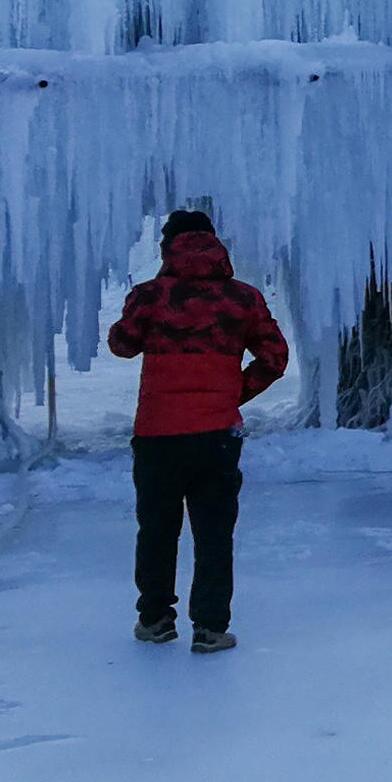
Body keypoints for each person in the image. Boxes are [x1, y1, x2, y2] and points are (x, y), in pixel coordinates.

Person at [107, 209, 290, 653]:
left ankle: (155, 620)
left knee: (157, 529)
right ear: (214, 244)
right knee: (213, 533)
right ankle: (209, 627)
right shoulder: (242, 299)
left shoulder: (150, 296)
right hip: (216, 435)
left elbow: (122, 345)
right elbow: (275, 358)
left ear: (167, 247)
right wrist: (230, 394)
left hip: (157, 436)